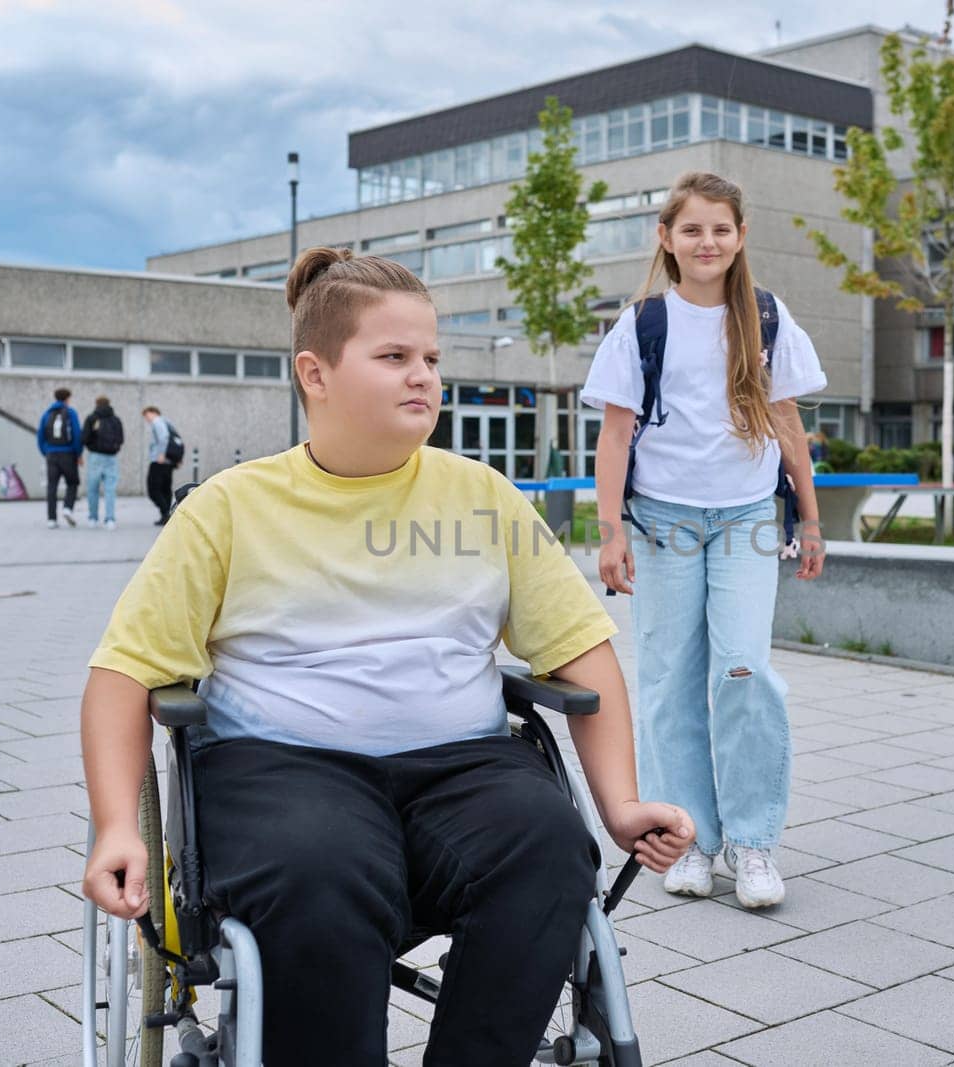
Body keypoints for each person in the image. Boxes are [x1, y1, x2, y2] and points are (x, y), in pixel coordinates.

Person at [80, 246, 694, 1066]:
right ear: (316, 373)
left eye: (432, 358)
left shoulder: (481, 496)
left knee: (548, 849)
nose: (424, 377)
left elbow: (581, 652)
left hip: (463, 765)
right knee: (319, 872)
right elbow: (123, 674)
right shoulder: (227, 509)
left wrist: (620, 805)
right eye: (395, 356)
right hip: (284, 767)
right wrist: (118, 825)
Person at [583, 171, 828, 909]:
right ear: (666, 239)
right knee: (668, 683)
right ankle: (689, 838)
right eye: (691, 229)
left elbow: (787, 423)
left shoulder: (766, 318)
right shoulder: (642, 324)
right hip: (661, 524)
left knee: (744, 668)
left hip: (746, 520)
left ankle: (752, 841)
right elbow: (615, 435)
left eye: (720, 228)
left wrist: (808, 519)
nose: (707, 241)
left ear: (740, 236)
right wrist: (610, 532)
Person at [36, 387, 82, 528]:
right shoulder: (71, 413)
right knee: (72, 483)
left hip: (51, 454)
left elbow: (40, 437)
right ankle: (67, 508)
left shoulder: (46, 414)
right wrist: (78, 453)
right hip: (68, 454)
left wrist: (47, 452)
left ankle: (51, 519)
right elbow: (76, 435)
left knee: (52, 487)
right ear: (67, 398)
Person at [81, 395, 124, 530]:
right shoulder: (116, 419)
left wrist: (91, 446)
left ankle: (93, 518)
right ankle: (110, 519)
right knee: (110, 490)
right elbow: (121, 438)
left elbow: (84, 438)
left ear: (96, 404)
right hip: (111, 458)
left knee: (93, 489)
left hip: (95, 457)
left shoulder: (92, 418)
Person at [141, 405, 174, 525]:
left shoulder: (157, 421)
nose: (147, 419)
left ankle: (166, 513)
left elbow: (164, 437)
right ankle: (166, 515)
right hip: (169, 461)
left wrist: (161, 454)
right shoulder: (167, 422)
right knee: (165, 488)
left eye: (146, 415)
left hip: (159, 461)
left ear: (152, 412)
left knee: (153, 489)